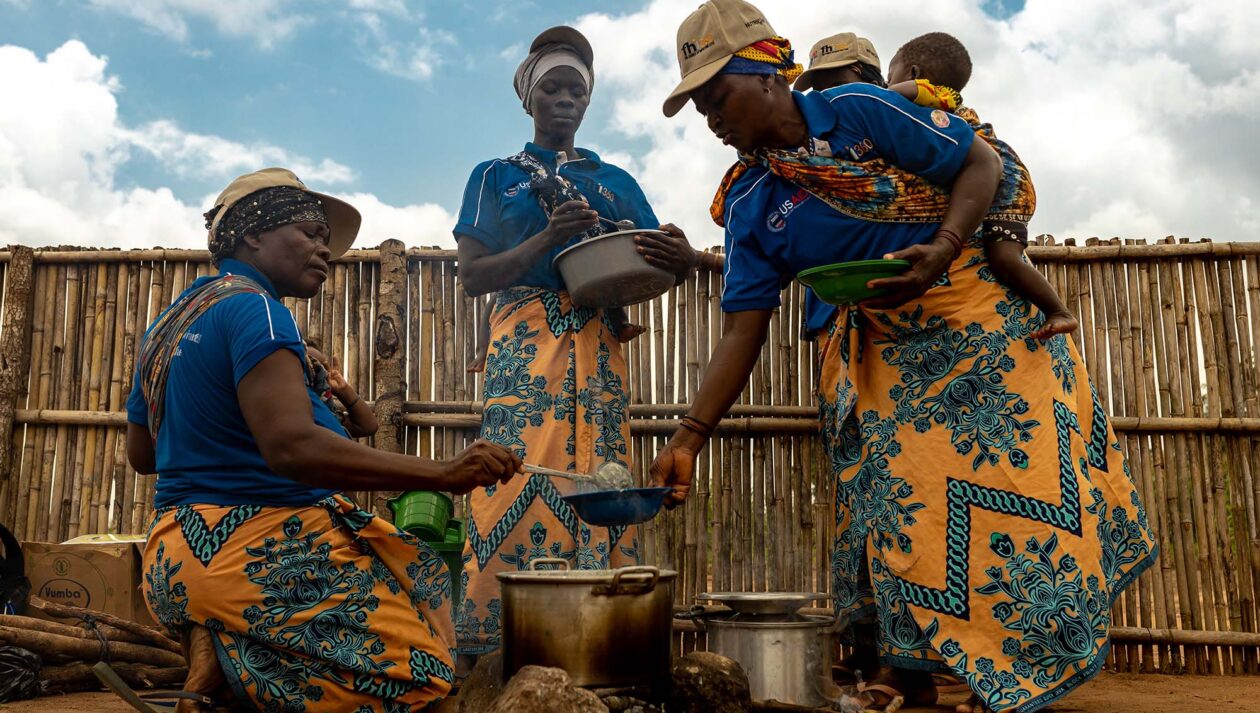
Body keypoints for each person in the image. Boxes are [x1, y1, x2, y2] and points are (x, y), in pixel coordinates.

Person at [652, 3, 1157, 712]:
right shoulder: (750, 202)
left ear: (769, 74)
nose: (710, 117)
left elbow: (977, 163)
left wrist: (945, 247)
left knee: (1020, 503)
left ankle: (1021, 675)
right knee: (902, 515)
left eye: (717, 94)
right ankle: (915, 673)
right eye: (699, 106)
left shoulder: (859, 109)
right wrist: (689, 434)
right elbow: (743, 329)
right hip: (886, 354)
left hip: (983, 327)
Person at [124, 168, 522, 712]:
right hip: (260, 556)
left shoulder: (164, 329)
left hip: (172, 558)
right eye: (309, 233)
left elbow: (143, 456)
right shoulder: (257, 311)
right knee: (426, 680)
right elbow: (291, 448)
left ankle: (216, 663)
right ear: (252, 234)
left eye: (324, 240)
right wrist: (444, 474)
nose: (324, 250)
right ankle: (225, 660)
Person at [452, 26, 697, 664]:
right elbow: (473, 275)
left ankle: (599, 640)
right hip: (526, 343)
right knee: (514, 472)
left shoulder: (613, 178)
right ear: (529, 99)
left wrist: (683, 256)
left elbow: (652, 258)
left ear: (588, 103)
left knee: (602, 471)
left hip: (599, 346)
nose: (566, 99)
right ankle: (496, 648)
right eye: (553, 88)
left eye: (577, 90)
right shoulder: (495, 176)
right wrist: (546, 239)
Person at [883, 32, 1077, 339]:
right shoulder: (941, 103)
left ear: (914, 73)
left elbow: (886, 99)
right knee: (1001, 257)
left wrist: (861, 95)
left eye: (889, 75)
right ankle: (1057, 311)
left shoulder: (924, 92)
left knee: (1004, 258)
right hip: (1003, 175)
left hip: (1005, 184)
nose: (886, 83)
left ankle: (1058, 311)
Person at [305, 340, 378, 437]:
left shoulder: (330, 416)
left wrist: (343, 391)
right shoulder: (298, 416)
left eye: (323, 369)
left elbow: (368, 426)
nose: (321, 375)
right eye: (314, 368)